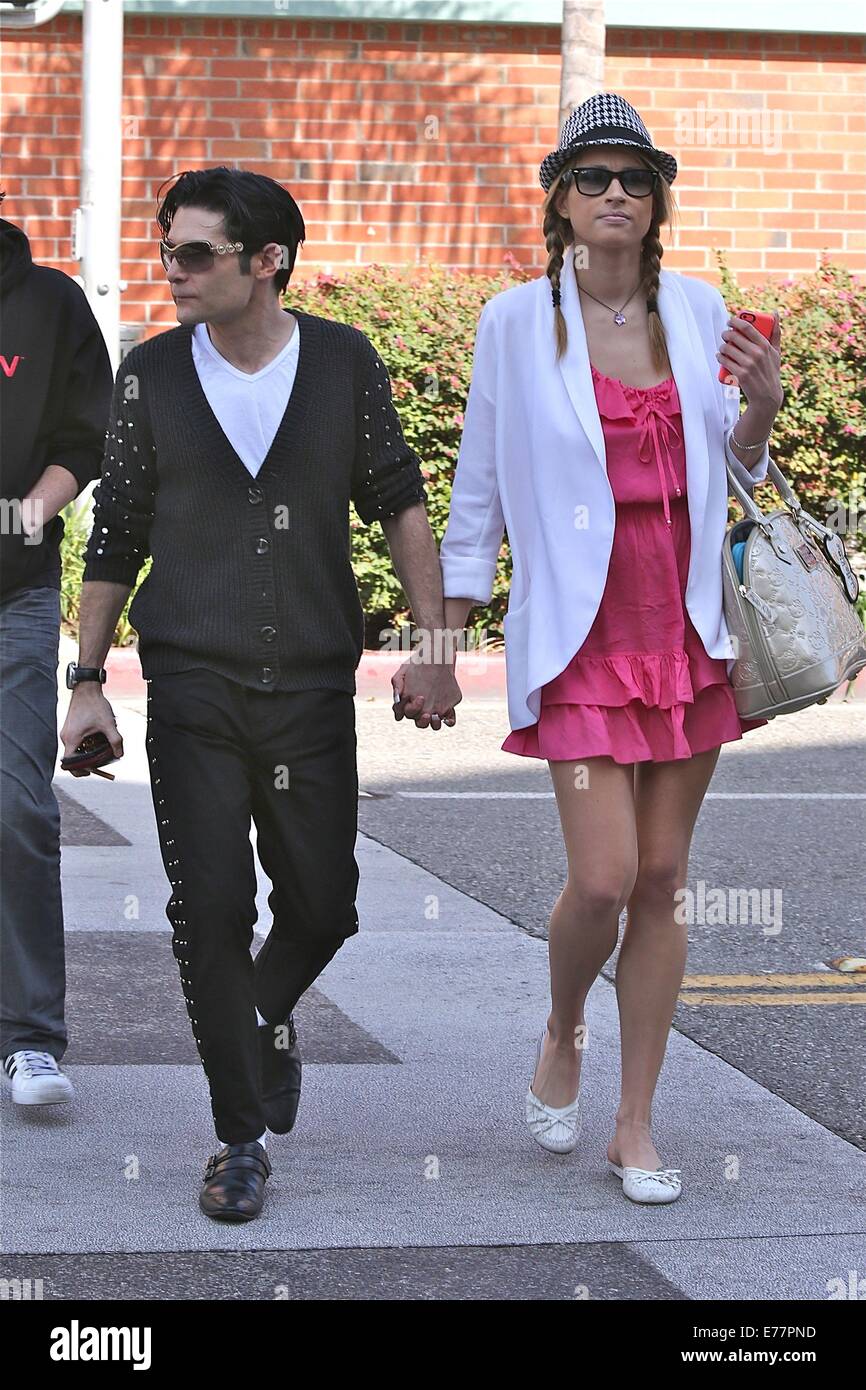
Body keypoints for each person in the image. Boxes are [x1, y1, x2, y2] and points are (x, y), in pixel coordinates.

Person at [60, 166, 460, 1222]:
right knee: (210, 911)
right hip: (192, 680)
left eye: (194, 254)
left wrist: (430, 646)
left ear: (265, 261)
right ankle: (238, 1137)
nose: (172, 272)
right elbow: (116, 537)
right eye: (165, 250)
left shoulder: (340, 363)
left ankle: (262, 1021)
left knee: (325, 904)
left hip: (313, 685)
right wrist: (88, 680)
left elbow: (400, 507)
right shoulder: (149, 375)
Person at [437, 94, 783, 1204]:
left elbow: (731, 477)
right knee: (602, 876)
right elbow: (477, 490)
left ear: (656, 198)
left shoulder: (694, 307)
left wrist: (761, 409)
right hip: (580, 632)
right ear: (560, 199)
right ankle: (561, 1023)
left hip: (680, 624)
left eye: (635, 178)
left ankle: (633, 1121)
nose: (616, 196)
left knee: (665, 878)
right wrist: (440, 635)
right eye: (592, 178)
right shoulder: (512, 321)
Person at [0, 192, 113, 1106]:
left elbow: (86, 433)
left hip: (13, 596)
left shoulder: (48, 303)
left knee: (17, 811)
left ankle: (29, 1038)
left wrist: (27, 517)